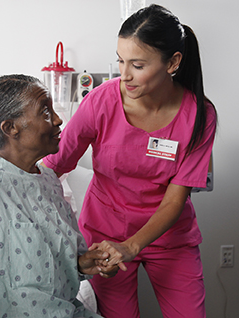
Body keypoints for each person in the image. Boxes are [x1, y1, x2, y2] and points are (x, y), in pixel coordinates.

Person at [42, 4, 217, 318]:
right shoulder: (100, 101)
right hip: (105, 236)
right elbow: (57, 162)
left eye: (137, 64)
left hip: (169, 238)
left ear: (173, 62)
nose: (124, 75)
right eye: (121, 61)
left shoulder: (200, 115)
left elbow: (175, 199)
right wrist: (6, 181)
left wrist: (132, 246)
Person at [0, 74, 118, 318]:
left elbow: (47, 263)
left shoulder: (48, 181)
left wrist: (85, 263)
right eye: (45, 112)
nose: (57, 120)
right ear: (10, 128)